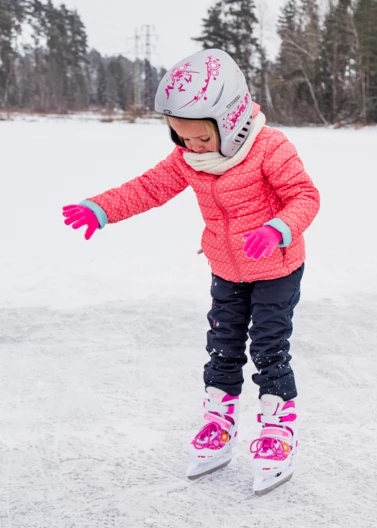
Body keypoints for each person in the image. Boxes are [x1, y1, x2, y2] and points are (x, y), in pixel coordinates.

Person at [62, 48, 320, 495]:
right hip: (226, 267)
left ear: (233, 120)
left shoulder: (271, 148)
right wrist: (102, 208)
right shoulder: (189, 158)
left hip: (277, 267)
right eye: (180, 138)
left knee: (268, 347)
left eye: (201, 139)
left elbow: (305, 197)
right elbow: (149, 187)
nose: (191, 148)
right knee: (222, 347)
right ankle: (219, 424)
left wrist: (278, 229)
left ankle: (277, 431)